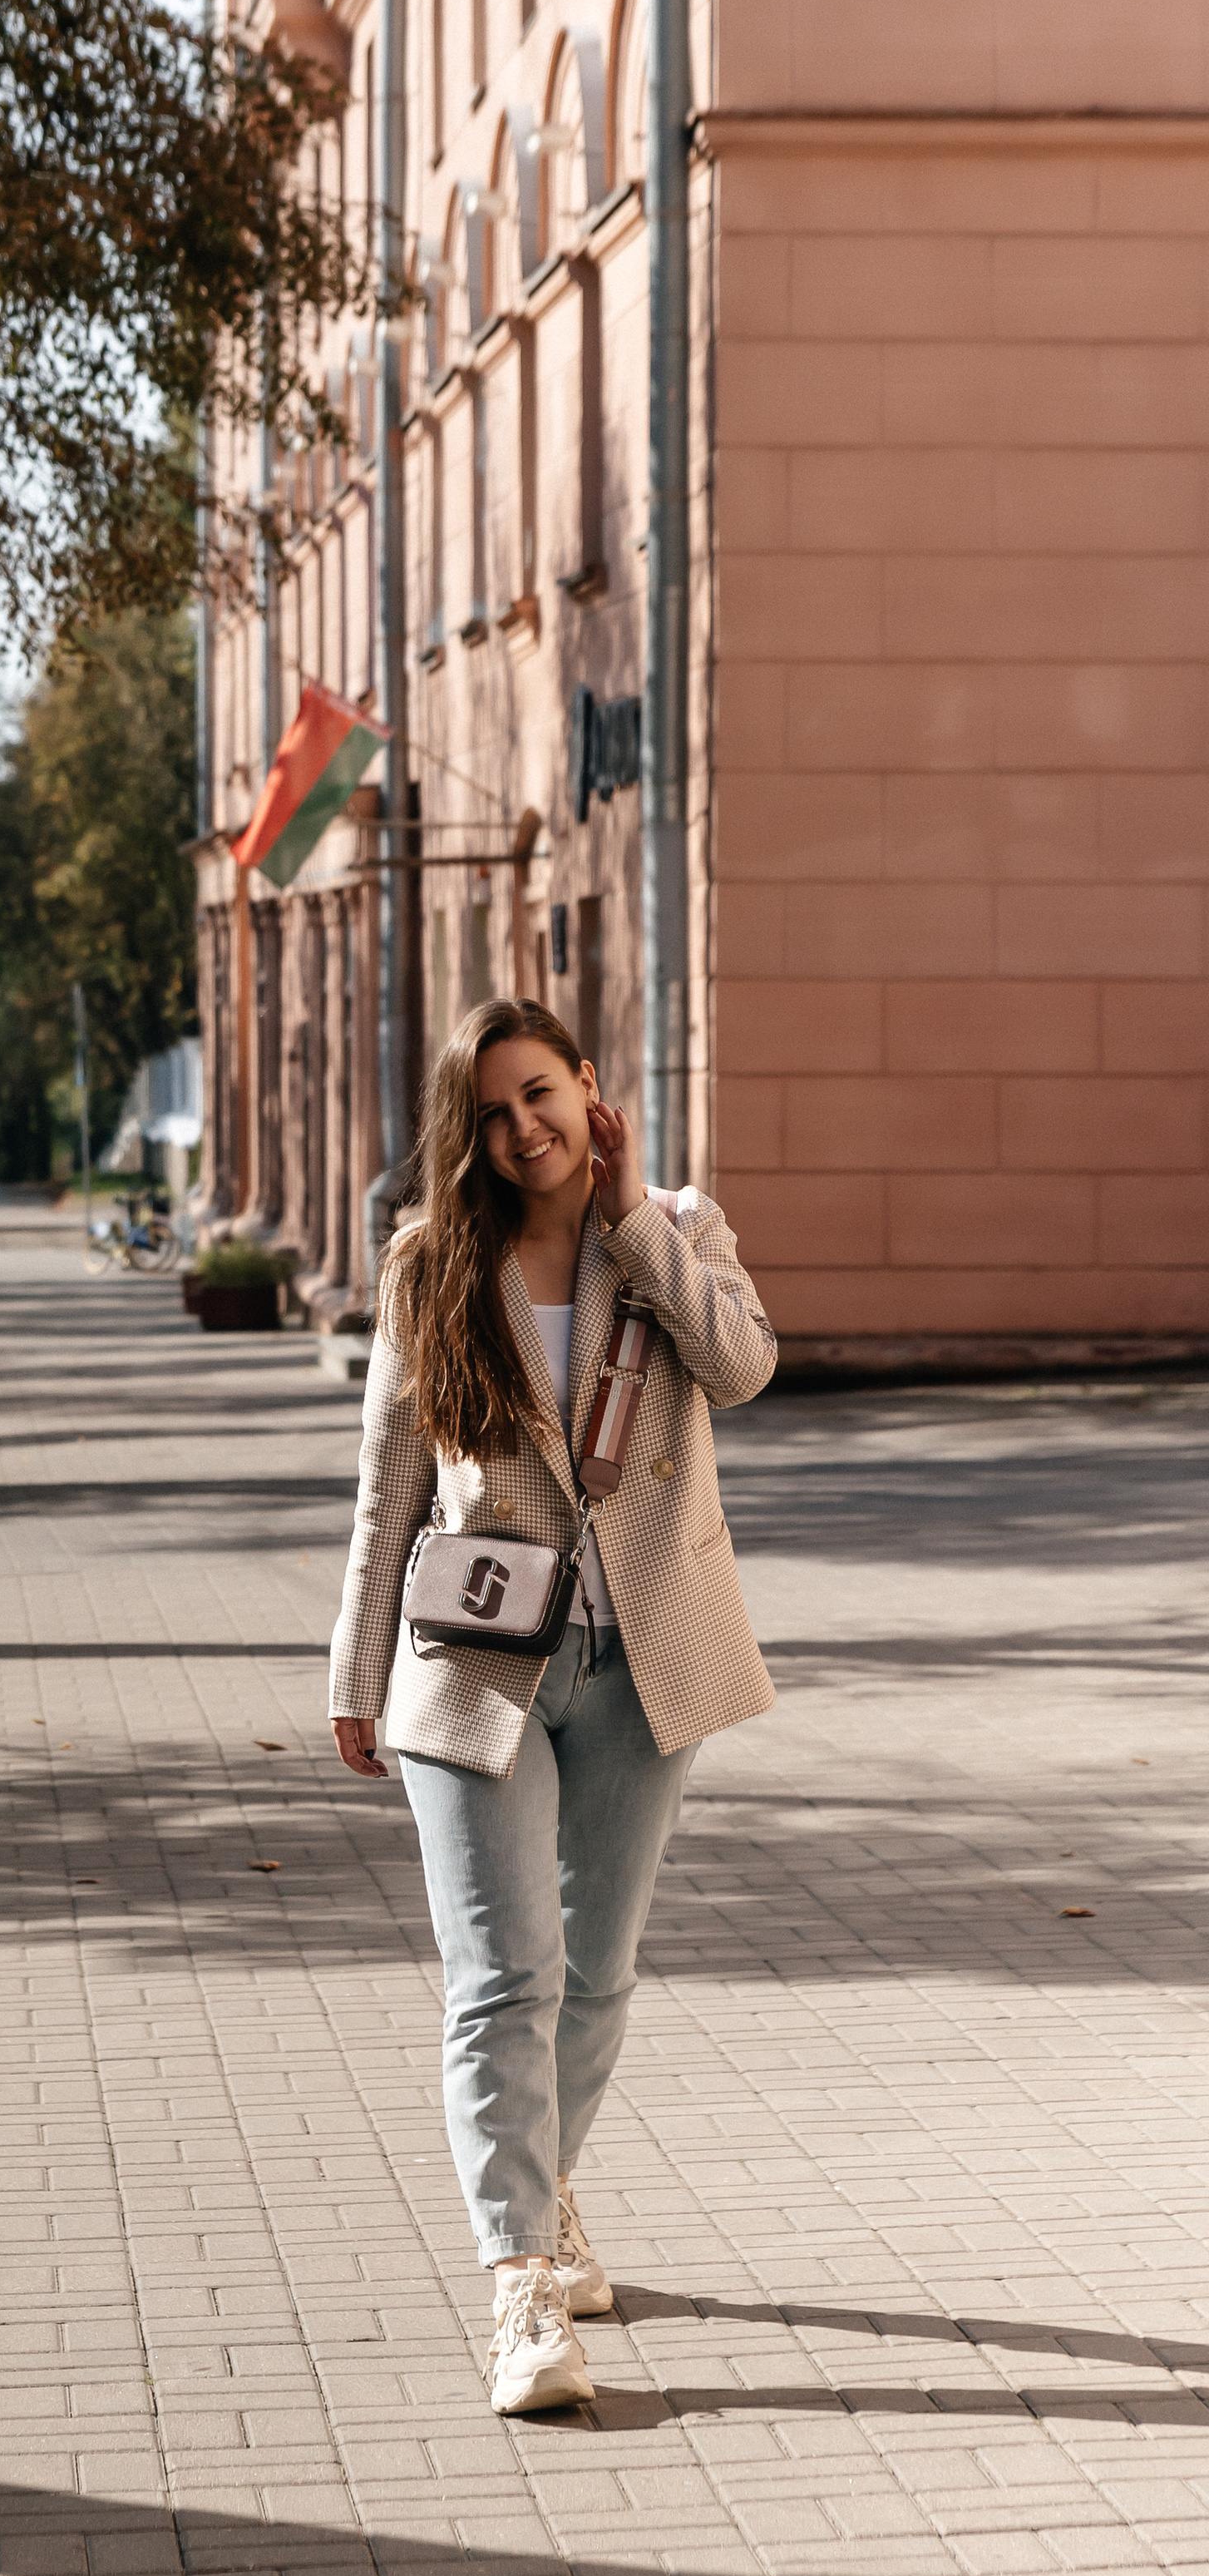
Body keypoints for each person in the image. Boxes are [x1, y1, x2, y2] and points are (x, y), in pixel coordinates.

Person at [328, 997, 776, 2414]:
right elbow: (391, 1487)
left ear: (589, 1088)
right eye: (493, 1112)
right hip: (474, 1660)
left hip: (645, 1660)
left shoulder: (676, 1228)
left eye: (541, 1094)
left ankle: (548, 2186)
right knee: (503, 1979)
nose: (524, 1129)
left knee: (596, 1977)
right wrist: (353, 1673)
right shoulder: (433, 1260)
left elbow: (744, 1369)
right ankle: (521, 2286)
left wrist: (633, 1218)